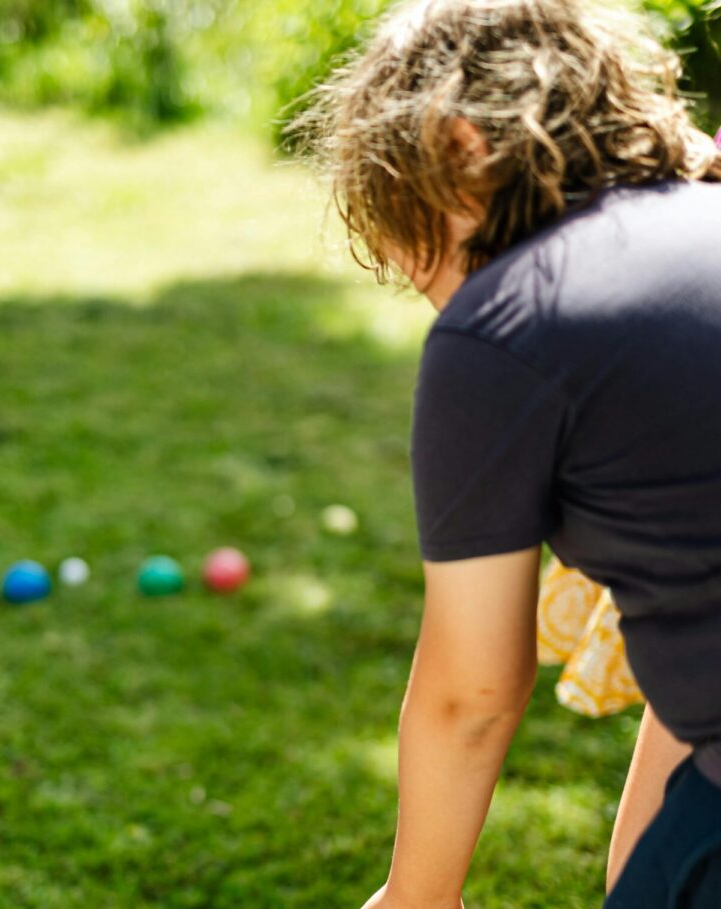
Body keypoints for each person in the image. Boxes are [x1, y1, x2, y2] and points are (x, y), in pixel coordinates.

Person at [295, 1, 721, 907]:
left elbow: (472, 691)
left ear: (460, 149)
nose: (438, 303)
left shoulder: (509, 324)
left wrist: (416, 896)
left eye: (416, 257)